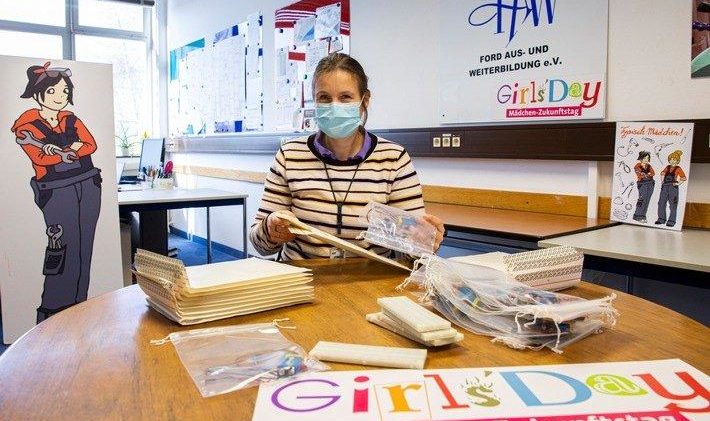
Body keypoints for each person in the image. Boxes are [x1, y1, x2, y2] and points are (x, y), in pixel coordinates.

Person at [250, 53, 444, 260]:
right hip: (301, 274)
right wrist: (270, 230)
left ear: (364, 101)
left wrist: (424, 242)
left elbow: (414, 251)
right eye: (324, 98)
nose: (334, 106)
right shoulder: (290, 156)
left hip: (369, 276)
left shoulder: (393, 159)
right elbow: (260, 245)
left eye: (345, 97)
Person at [11, 61, 102, 323]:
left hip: (88, 185)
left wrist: (69, 151)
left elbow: (91, 145)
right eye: (52, 91)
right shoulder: (27, 126)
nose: (59, 96)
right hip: (56, 191)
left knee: (85, 248)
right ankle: (51, 316)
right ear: (37, 94)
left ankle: (80, 309)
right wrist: (64, 151)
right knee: (61, 250)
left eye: (64, 91)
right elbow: (39, 157)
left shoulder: (71, 119)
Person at [655, 150, 687, 227]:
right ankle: (661, 219)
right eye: (671, 159)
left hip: (673, 188)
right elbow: (662, 173)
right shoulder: (667, 167)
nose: (672, 161)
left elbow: (683, 178)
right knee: (661, 203)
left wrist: (678, 183)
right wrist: (662, 181)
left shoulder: (678, 168)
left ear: (677, 160)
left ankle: (671, 221)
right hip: (665, 187)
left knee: (673, 204)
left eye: (674, 159)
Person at [632, 151, 654, 223]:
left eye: (647, 158)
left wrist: (646, 174)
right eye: (644, 158)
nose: (646, 159)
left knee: (647, 200)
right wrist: (648, 174)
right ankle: (637, 216)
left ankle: (643, 216)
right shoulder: (637, 166)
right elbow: (640, 175)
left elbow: (653, 173)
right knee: (641, 200)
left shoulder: (649, 166)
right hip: (642, 184)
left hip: (650, 183)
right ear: (641, 158)